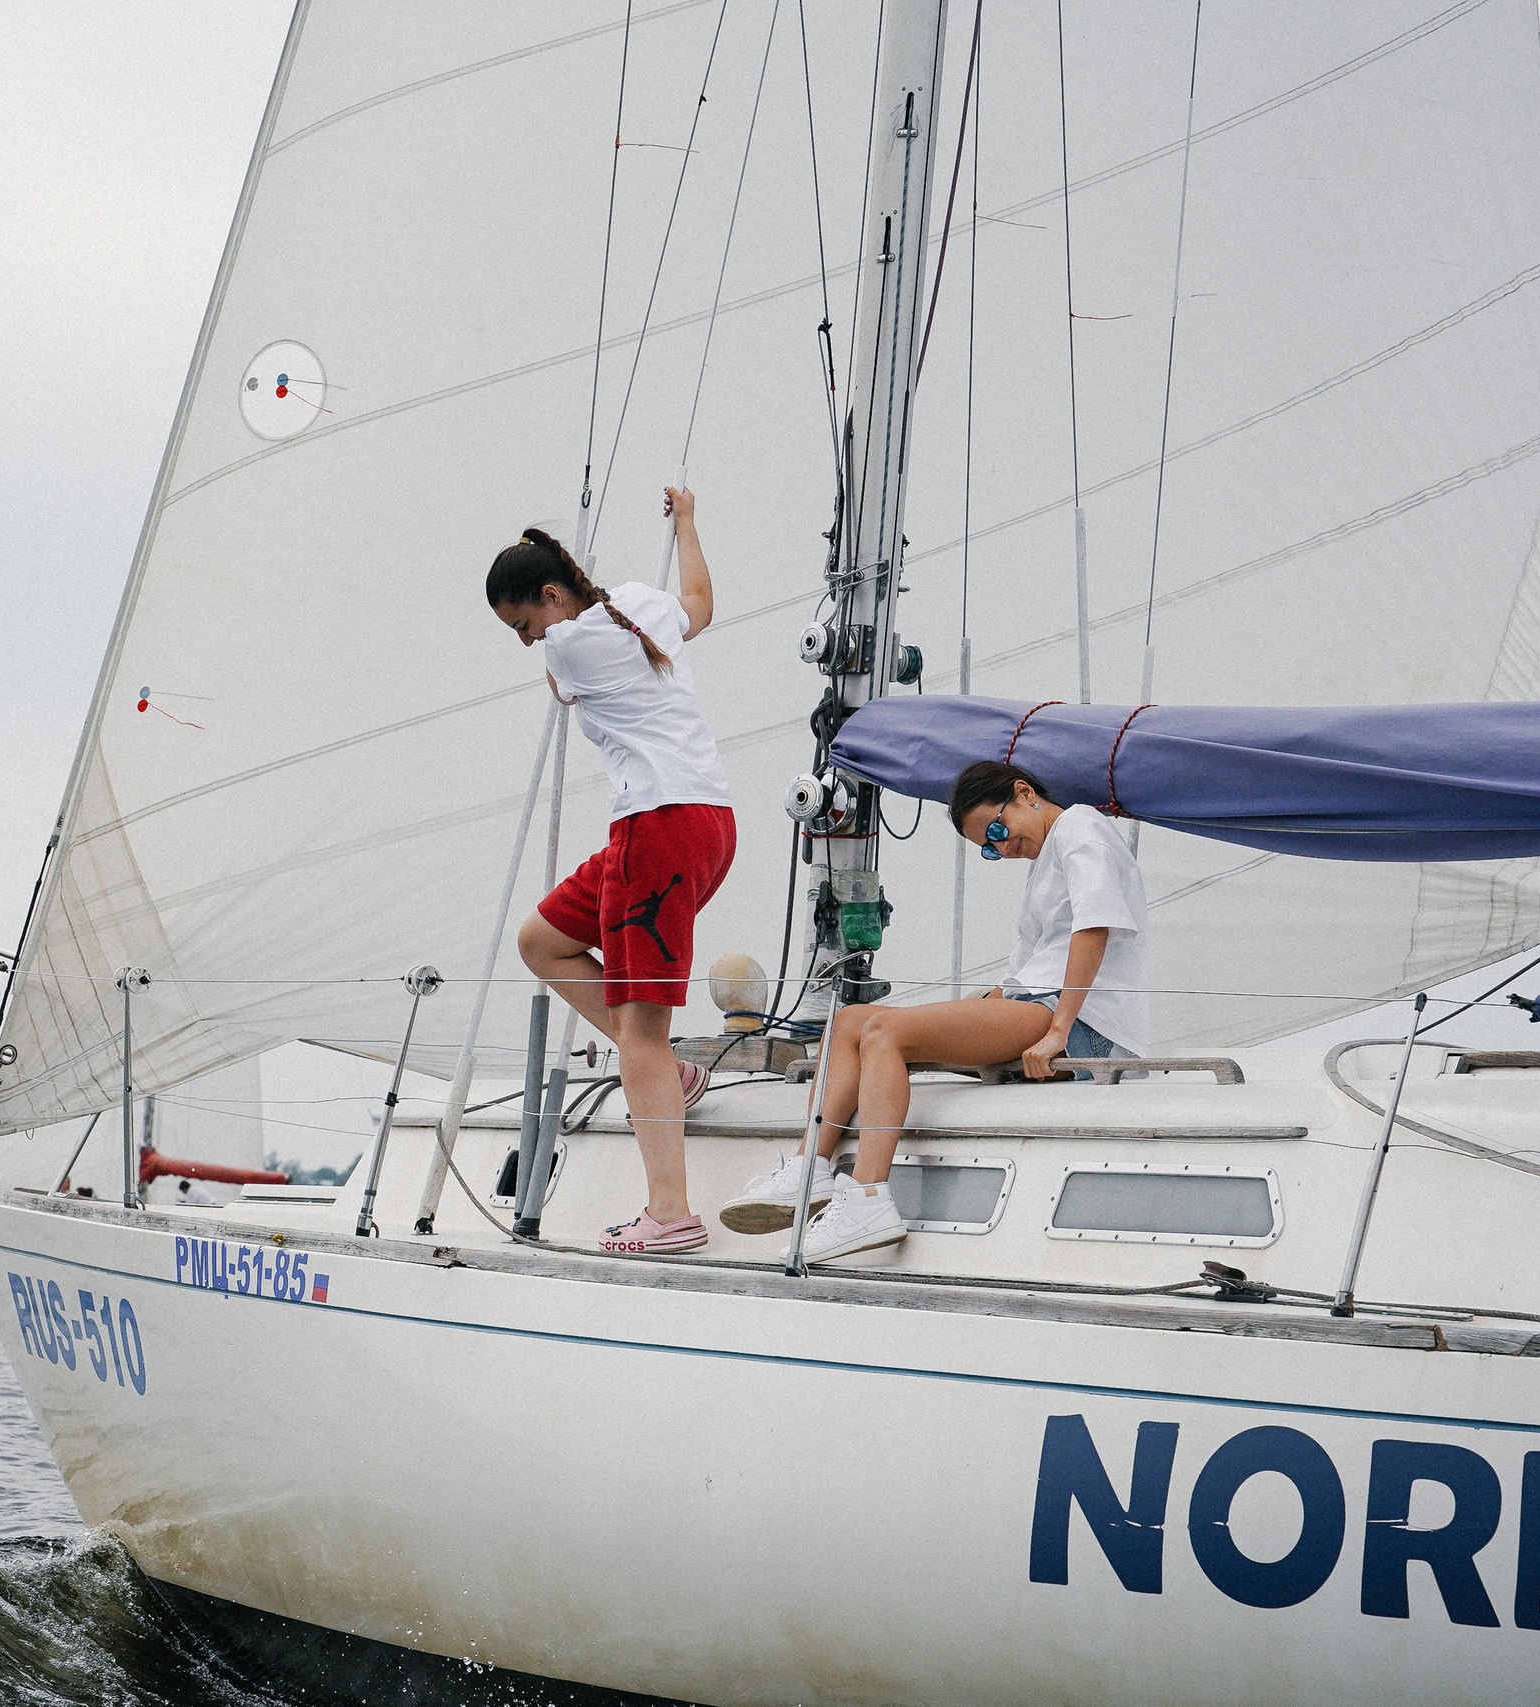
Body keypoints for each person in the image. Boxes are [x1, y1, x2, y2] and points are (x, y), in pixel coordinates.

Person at [719, 760, 1147, 1260]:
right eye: (990, 847)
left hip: (1078, 1021)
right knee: (850, 1022)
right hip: (1038, 1004)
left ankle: (868, 1198)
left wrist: (1058, 1031)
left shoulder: (1081, 829)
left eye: (998, 830)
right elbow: (1022, 973)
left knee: (884, 1032)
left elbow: (1092, 929)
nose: (1003, 848)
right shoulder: (1048, 859)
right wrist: (973, 1014)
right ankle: (808, 1167)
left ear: (1025, 792)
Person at [491, 489, 735, 1254]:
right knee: (542, 940)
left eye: (525, 625)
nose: (530, 643)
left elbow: (561, 682)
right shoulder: (640, 605)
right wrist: (688, 522)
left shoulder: (567, 648)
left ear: (553, 598)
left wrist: (556, 640)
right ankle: (671, 1074)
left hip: (653, 828)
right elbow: (700, 601)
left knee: (641, 1026)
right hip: (707, 821)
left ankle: (669, 1212)